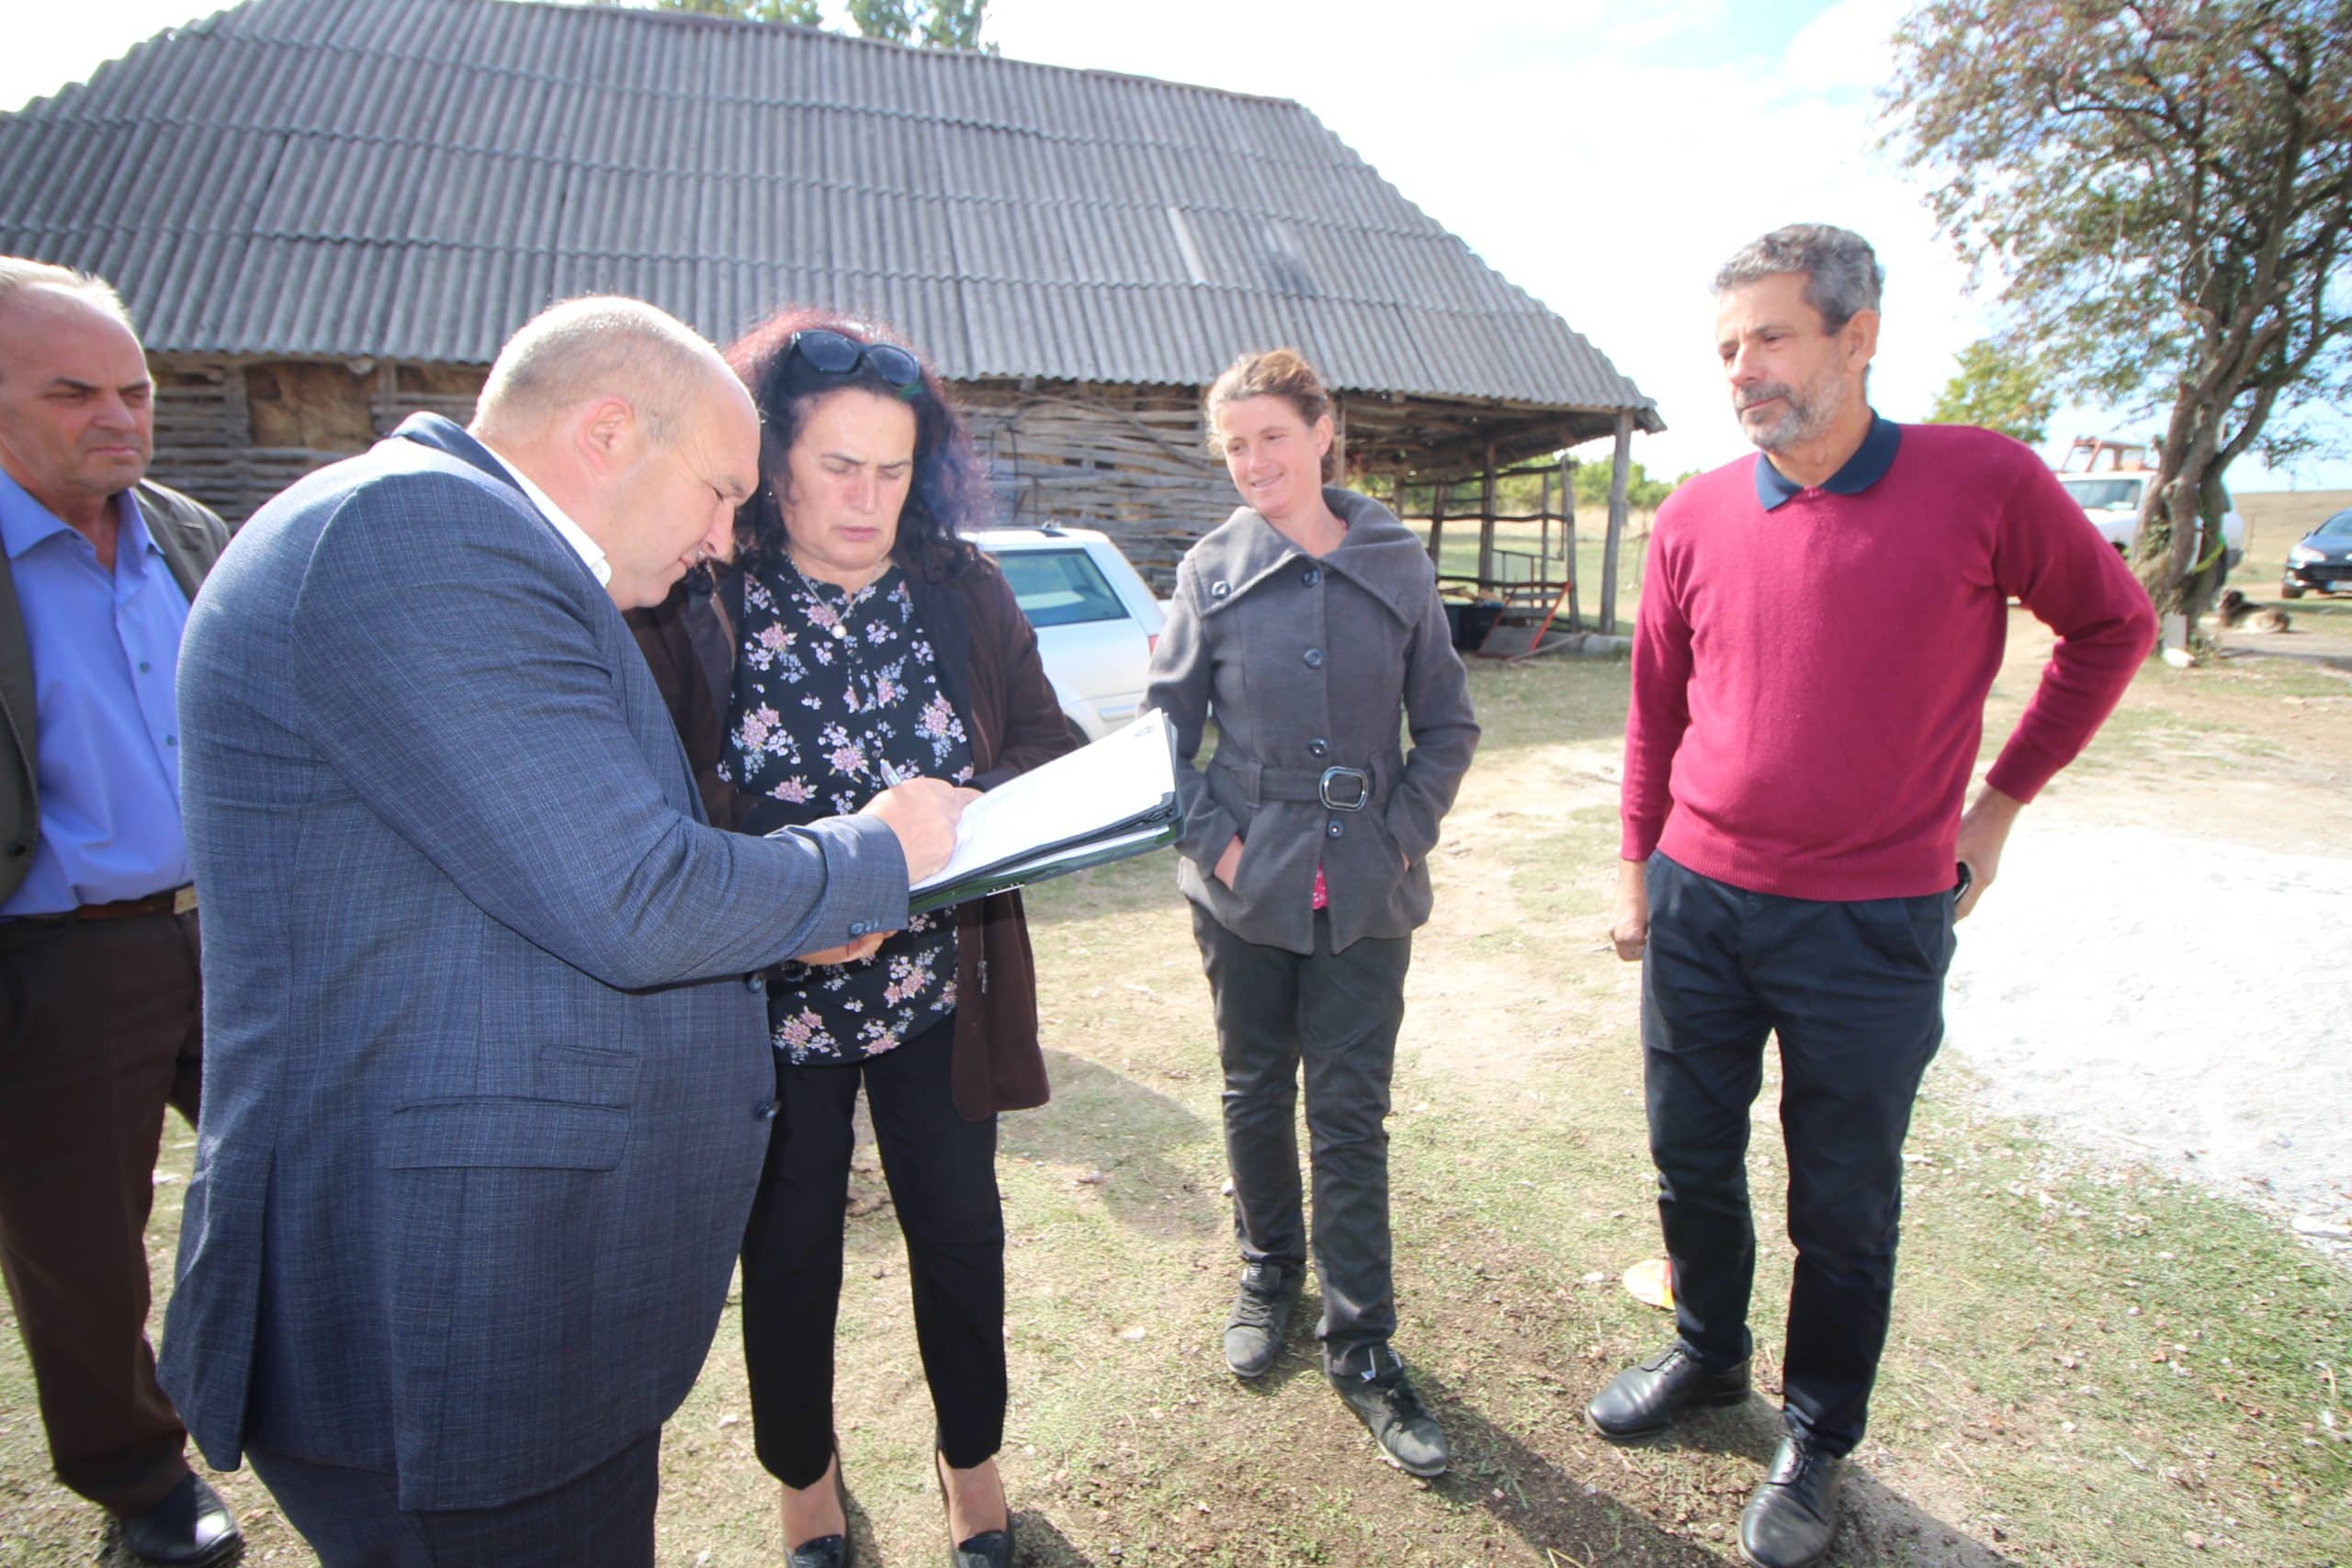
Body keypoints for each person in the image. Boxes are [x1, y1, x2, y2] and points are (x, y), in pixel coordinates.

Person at [156, 297, 966, 1568]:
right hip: (447, 1302)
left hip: (485, 1277)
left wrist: (779, 913)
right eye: (718, 491)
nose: (721, 537)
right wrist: (878, 851)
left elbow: (542, 872)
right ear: (606, 431)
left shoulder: (452, 540)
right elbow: (631, 894)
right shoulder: (420, 535)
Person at [1591, 224, 2156, 1568]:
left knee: (1842, 1199)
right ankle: (1707, 1353)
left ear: (1859, 336)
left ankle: (1815, 1434)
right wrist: (1635, 865)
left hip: (1871, 921)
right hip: (1701, 901)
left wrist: (1997, 806)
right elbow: (1656, 709)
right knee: (1688, 1155)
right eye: (1728, 347)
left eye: (1771, 337)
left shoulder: (1982, 480)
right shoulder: (1694, 515)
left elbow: (2112, 626)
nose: (1743, 369)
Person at [634, 310, 1071, 1568]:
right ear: (771, 460)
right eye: (838, 466)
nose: (868, 499)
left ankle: (970, 1463)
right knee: (786, 1251)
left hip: (936, 988)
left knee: (960, 1231)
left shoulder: (960, 587)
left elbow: (1045, 746)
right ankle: (804, 1481)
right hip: (768, 1000)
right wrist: (800, 877)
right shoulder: (701, 594)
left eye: (893, 469)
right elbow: (653, 798)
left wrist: (973, 811)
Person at [1145, 347, 1479, 1477]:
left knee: (1348, 1115)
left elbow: (1448, 723)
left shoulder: (1395, 559)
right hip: (1245, 885)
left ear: (1322, 431)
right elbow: (1162, 740)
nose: (1253, 462)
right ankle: (1267, 1273)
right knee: (1252, 1089)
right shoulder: (1210, 570)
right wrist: (1221, 843)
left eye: (1272, 438)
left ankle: (1363, 1343)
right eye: (1233, 446)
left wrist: (1401, 832)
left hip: (1367, 886)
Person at [0, 259, 242, 1567]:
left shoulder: (188, 535)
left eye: (135, 390)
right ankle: (139, 1475)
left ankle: (311, 1391)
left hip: (232, 930)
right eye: (73, 392)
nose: (118, 417)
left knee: (305, 1165)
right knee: (82, 1245)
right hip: (63, 958)